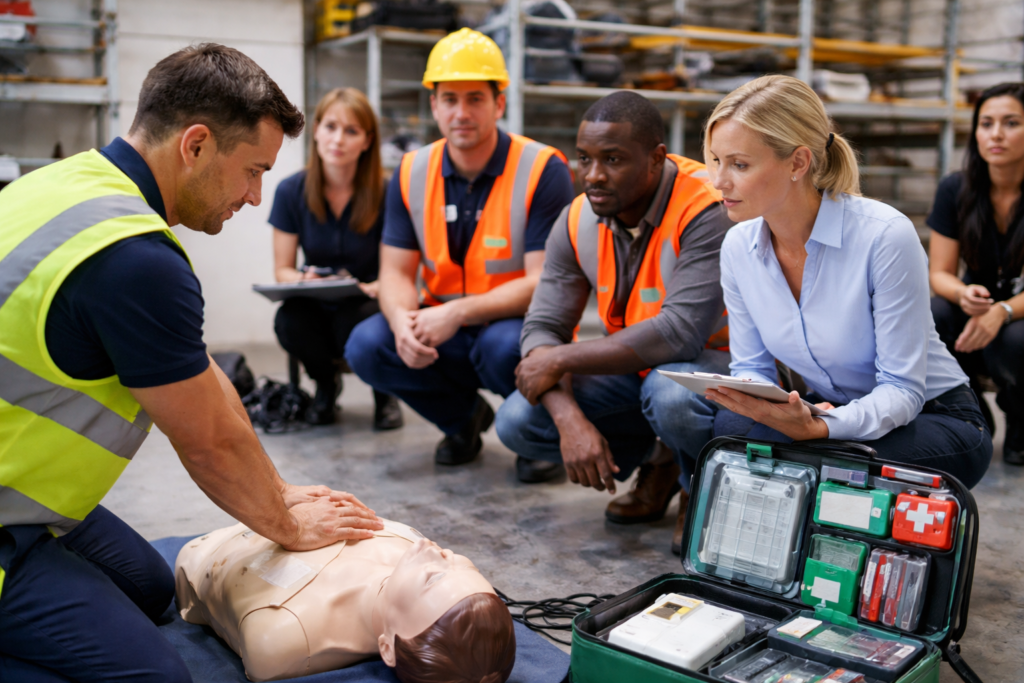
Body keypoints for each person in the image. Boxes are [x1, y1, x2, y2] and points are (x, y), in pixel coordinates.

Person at [0, 44, 385, 683]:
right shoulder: (135, 260)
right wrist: (287, 525)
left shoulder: (66, 186)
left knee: (153, 590)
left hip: (23, 486)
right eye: (252, 171)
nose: (257, 197)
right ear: (196, 145)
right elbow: (206, 444)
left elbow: (202, 381)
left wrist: (281, 491)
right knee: (159, 677)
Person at [701, 74, 992, 491]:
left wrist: (820, 427)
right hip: (833, 412)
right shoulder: (737, 246)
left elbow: (902, 391)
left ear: (798, 163)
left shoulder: (883, 234)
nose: (719, 181)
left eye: (739, 164)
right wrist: (772, 410)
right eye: (716, 160)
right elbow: (752, 370)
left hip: (933, 416)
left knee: (821, 463)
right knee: (729, 428)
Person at [493, 91, 732, 553]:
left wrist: (559, 360)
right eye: (585, 158)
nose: (593, 175)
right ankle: (661, 462)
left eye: (614, 159)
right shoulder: (578, 217)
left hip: (717, 369)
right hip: (639, 370)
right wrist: (569, 421)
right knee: (518, 421)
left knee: (671, 395)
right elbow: (542, 328)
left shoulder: (706, 207)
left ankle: (697, 486)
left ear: (656, 159)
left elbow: (680, 331)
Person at [345, 28, 574, 466]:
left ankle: (536, 436)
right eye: (450, 99)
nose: (461, 112)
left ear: (499, 103)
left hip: (519, 325)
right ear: (434, 105)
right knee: (368, 345)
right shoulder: (412, 171)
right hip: (442, 322)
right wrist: (401, 323)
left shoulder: (542, 168)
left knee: (502, 348)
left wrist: (457, 313)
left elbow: (544, 280)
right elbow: (394, 271)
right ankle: (463, 420)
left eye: (475, 99)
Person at [175, 519, 515, 683]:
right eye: (460, 561)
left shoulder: (283, 637)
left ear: (388, 649)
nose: (435, 550)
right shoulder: (410, 545)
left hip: (206, 553)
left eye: (433, 576)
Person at [270, 87, 402, 429]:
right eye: (330, 126)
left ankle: (383, 393)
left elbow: (397, 270)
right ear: (315, 130)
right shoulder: (291, 191)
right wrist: (305, 280)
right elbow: (282, 270)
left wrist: (374, 286)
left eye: (351, 130)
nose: (338, 139)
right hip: (317, 297)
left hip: (368, 298)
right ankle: (325, 386)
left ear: (368, 141)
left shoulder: (388, 193)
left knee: (356, 321)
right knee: (290, 321)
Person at [928, 82, 1024, 466]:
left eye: (1011, 122)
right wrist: (962, 295)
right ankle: (970, 410)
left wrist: (1002, 312)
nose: (995, 134)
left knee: (1016, 340)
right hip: (975, 304)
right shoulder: (956, 188)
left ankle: (1020, 417)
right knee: (933, 315)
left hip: (1017, 313)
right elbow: (940, 273)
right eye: (986, 123)